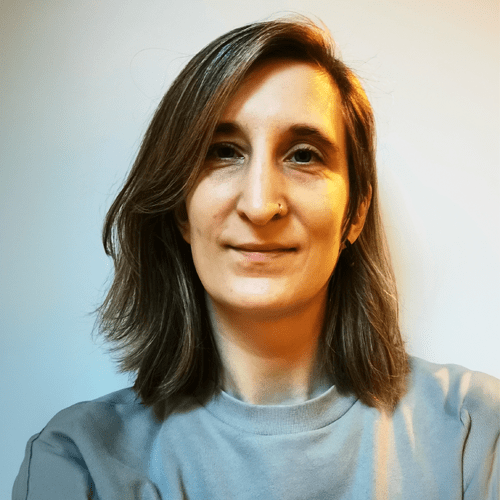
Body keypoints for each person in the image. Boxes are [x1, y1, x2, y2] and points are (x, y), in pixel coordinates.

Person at [13, 16, 499, 500]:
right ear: (181, 211)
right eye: (224, 152)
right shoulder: (79, 462)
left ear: (355, 212)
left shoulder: (473, 432)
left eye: (303, 155)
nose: (261, 204)